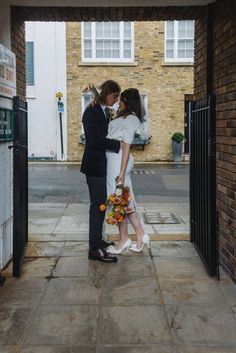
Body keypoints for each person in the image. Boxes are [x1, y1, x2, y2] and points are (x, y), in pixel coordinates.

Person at [81, 80, 122, 263]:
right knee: (97, 206)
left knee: (101, 205)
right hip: (94, 165)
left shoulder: (102, 110)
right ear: (107, 94)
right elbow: (95, 139)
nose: (116, 100)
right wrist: (117, 145)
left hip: (102, 166)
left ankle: (98, 240)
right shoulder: (91, 111)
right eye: (115, 96)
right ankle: (94, 248)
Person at [105, 88, 150, 254]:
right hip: (114, 161)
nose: (118, 102)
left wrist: (121, 174)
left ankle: (124, 239)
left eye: (121, 100)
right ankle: (139, 234)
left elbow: (126, 146)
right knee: (123, 200)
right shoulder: (125, 117)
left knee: (119, 200)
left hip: (118, 163)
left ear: (128, 102)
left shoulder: (131, 120)